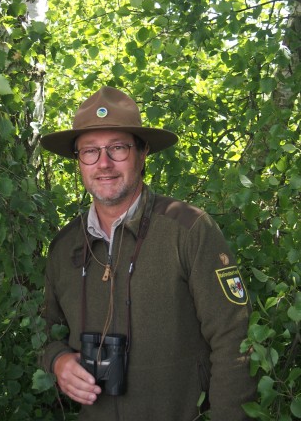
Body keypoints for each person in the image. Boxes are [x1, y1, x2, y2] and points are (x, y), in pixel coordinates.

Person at [40, 86, 256, 421]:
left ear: (142, 154)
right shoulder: (65, 247)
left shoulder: (188, 230)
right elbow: (45, 331)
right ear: (78, 163)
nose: (104, 164)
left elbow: (235, 339)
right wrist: (57, 360)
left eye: (118, 148)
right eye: (90, 152)